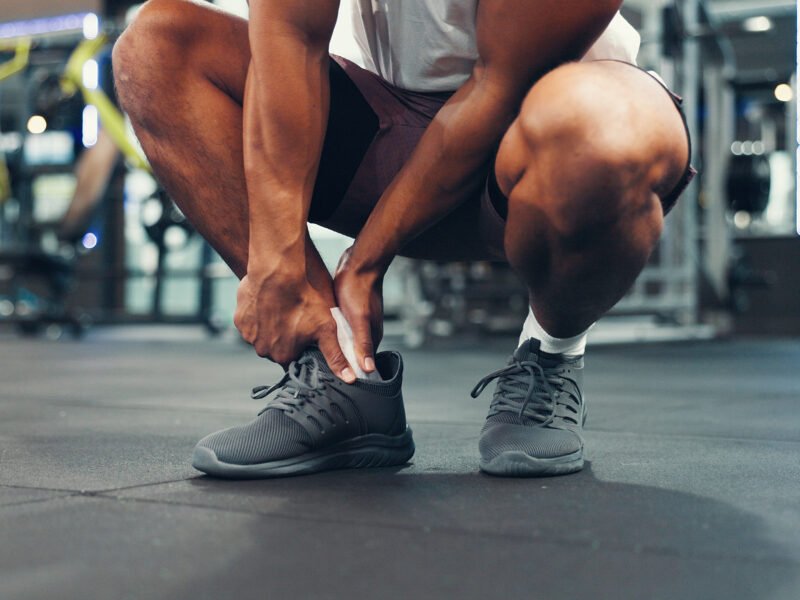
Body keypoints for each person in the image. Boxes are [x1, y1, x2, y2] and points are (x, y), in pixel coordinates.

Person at [112, 0, 694, 478]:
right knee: (156, 48)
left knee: (597, 132)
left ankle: (551, 354)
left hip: (545, 144)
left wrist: (366, 260)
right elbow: (290, 38)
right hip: (391, 127)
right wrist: (273, 258)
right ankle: (341, 375)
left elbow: (496, 86)